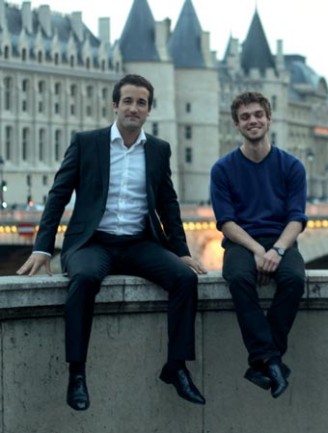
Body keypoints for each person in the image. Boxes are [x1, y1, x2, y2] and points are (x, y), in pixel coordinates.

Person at [17, 74, 207, 410]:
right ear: (115, 105)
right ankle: (77, 373)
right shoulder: (87, 142)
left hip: (138, 243)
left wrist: (182, 252)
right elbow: (58, 196)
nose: (134, 108)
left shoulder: (159, 150)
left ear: (149, 110)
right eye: (129, 101)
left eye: (141, 103)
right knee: (85, 279)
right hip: (92, 242)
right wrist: (43, 246)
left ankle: (176, 367)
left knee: (184, 280)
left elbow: (168, 204)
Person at [210, 92, 307, 399]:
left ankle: (263, 360)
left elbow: (296, 218)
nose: (252, 121)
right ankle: (273, 360)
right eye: (245, 117)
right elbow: (226, 222)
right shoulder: (223, 169)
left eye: (257, 115)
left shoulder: (291, 166)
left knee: (293, 279)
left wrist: (277, 250)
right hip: (242, 242)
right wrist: (256, 250)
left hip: (281, 239)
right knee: (239, 278)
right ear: (237, 125)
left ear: (269, 118)